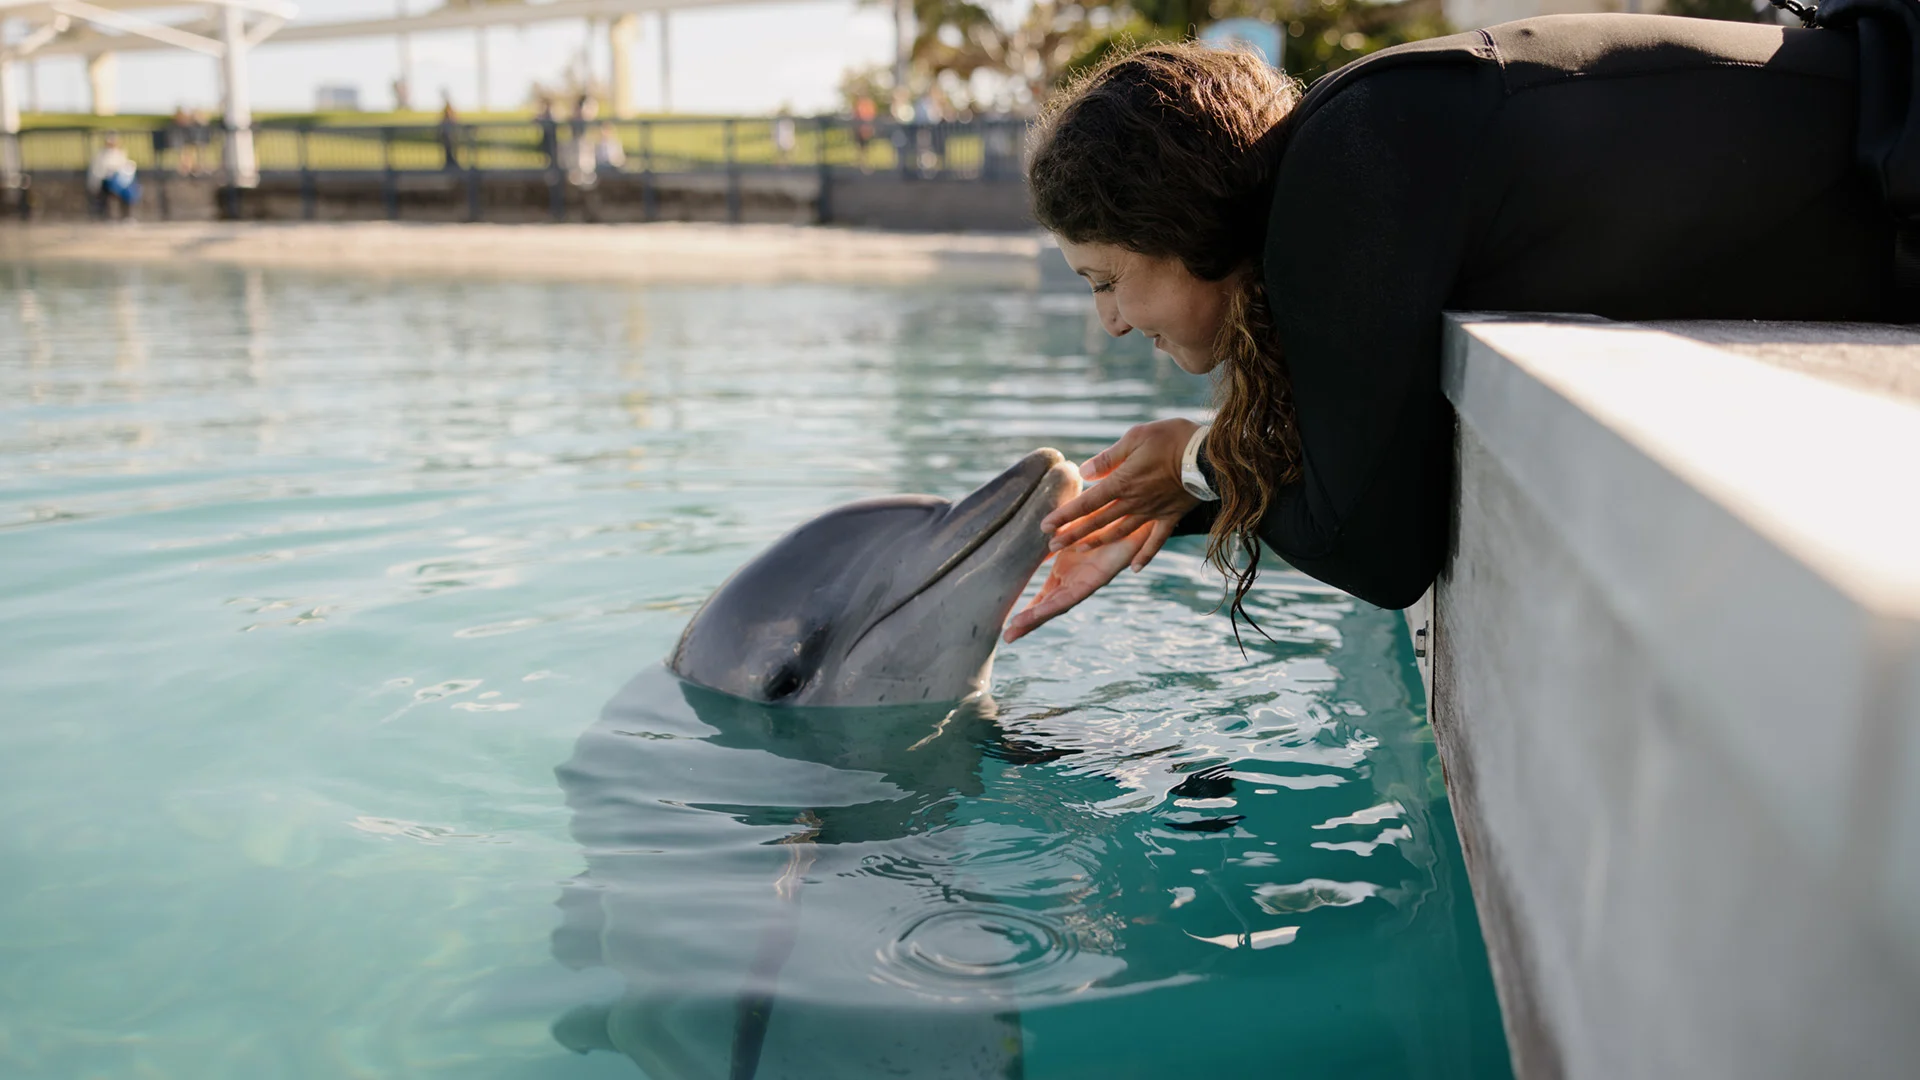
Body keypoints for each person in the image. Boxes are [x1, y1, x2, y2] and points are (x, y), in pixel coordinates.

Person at [1005, 13, 1898, 643]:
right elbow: (1367, 468)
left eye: (1108, 281)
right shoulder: (1344, 160)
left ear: (1176, 224)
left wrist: (1200, 465)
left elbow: (1378, 550)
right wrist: (1190, 483)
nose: (1113, 324)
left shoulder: (1346, 173)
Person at [87, 133, 139, 220]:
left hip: (119, 183)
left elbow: (124, 169)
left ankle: (127, 216)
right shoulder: (101, 155)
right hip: (105, 182)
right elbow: (97, 172)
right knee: (108, 191)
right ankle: (104, 216)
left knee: (128, 191)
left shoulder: (120, 153)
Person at [438, 97, 461, 170]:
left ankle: (451, 164)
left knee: (452, 153)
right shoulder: (447, 117)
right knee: (449, 153)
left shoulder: (450, 117)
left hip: (451, 139)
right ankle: (450, 164)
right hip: (448, 140)